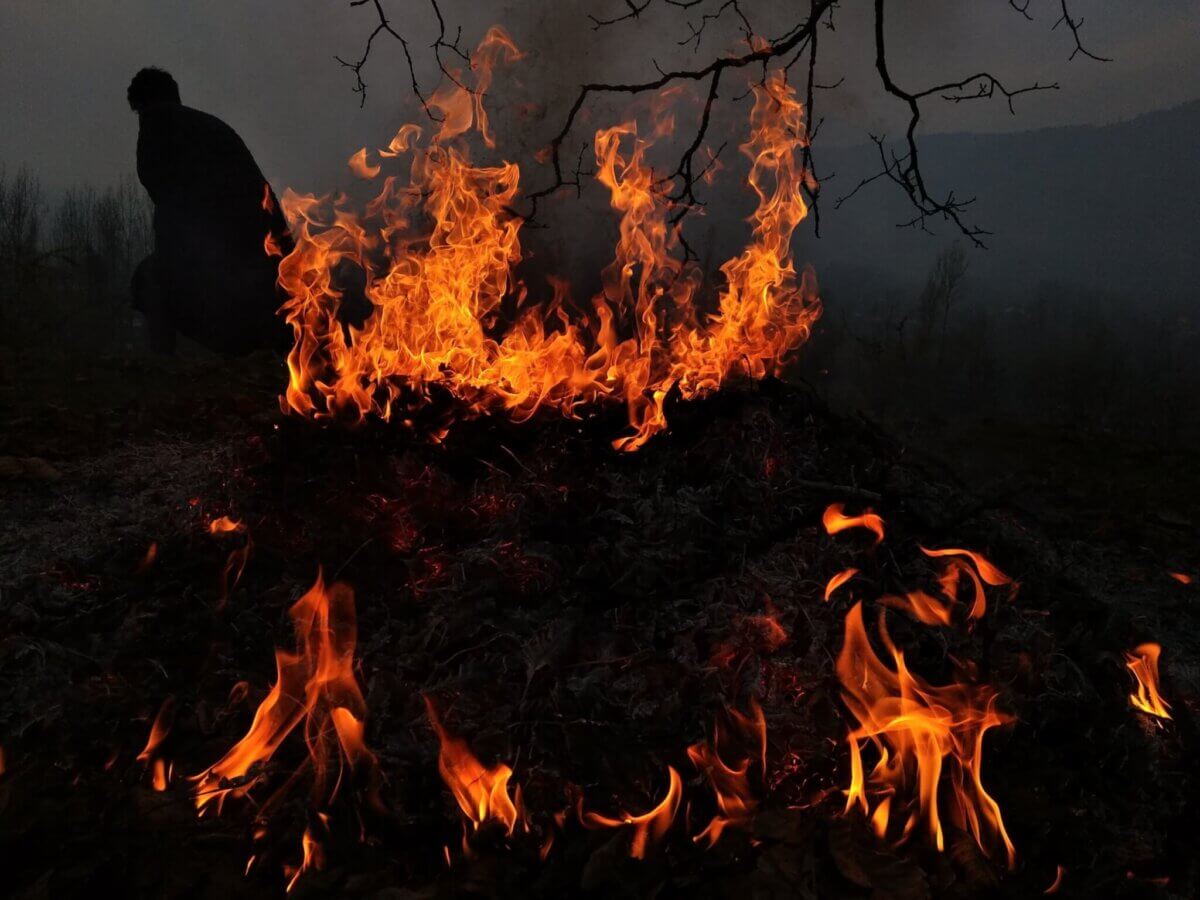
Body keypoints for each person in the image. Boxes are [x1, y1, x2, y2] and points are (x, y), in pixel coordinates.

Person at [128, 67, 293, 355]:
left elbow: (170, 211)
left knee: (148, 280)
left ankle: (164, 365)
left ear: (144, 106)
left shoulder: (157, 130)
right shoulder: (215, 128)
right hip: (271, 262)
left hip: (229, 266)